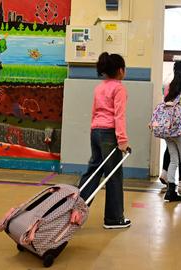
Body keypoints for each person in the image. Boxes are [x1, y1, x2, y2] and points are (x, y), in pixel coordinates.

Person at [78, 52, 131, 229]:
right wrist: (122, 140)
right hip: (109, 133)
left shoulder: (99, 87)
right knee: (114, 176)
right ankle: (114, 219)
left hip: (96, 131)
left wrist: (94, 130)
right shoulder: (119, 88)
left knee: (92, 172)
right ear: (120, 70)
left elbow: (94, 112)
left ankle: (74, 209)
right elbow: (119, 116)